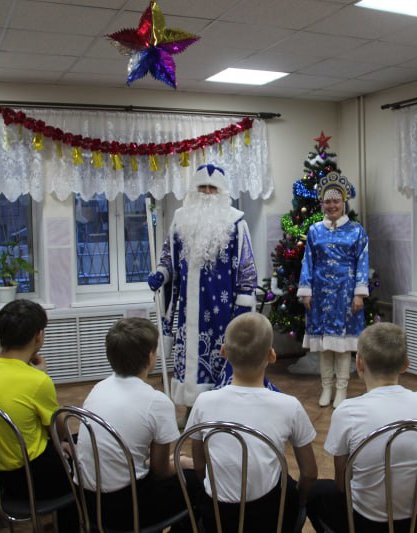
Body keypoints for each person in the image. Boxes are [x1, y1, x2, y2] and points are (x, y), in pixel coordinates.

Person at [186, 312, 318, 533]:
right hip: (270, 519)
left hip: (217, 519)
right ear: (272, 356)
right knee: (286, 482)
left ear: (223, 352)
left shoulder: (203, 402)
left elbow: (199, 465)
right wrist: (300, 501)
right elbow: (310, 473)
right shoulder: (289, 405)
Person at [306, 322, 417, 533]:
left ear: (359, 362)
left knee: (315, 492)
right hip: (415, 520)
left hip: (366, 523)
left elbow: (342, 483)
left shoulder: (347, 411)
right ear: (405, 364)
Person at [148, 163, 258, 417]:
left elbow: (247, 268)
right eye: (202, 187)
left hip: (222, 312)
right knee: (189, 362)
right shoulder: (181, 219)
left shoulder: (236, 222)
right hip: (189, 310)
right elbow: (168, 257)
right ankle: (191, 414)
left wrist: (243, 308)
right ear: (194, 189)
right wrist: (161, 274)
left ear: (222, 192)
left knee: (222, 361)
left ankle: (220, 416)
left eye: (212, 188)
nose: (207, 192)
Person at [75, 317, 199, 531]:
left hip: (87, 502)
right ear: (151, 357)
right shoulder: (157, 402)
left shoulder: (98, 388)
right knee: (196, 480)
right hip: (127, 508)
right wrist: (182, 463)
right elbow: (161, 471)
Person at [0, 299, 77, 531]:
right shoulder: (36, 381)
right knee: (84, 449)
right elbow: (59, 430)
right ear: (38, 336)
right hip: (31, 478)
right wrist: (42, 376)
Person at [298, 171, 369, 408]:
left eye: (336, 201)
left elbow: (362, 261)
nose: (332, 206)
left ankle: (341, 389)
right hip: (320, 293)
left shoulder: (356, 230)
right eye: (327, 201)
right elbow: (308, 261)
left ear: (343, 202)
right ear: (322, 203)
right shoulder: (314, 230)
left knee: (343, 345)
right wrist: (306, 291)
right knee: (324, 345)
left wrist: (359, 293)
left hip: (345, 293)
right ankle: (326, 387)